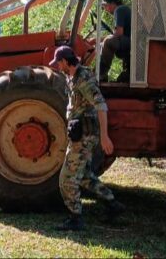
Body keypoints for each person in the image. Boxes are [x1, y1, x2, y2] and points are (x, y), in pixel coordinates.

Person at [48, 45, 126, 231]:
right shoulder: (72, 77)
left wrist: (105, 137)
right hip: (81, 133)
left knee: (66, 179)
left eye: (58, 63)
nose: (57, 66)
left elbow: (101, 105)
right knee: (83, 176)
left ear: (66, 61)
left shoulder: (83, 79)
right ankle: (112, 203)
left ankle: (75, 218)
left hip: (83, 136)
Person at [99, 0, 131, 82]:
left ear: (113, 4)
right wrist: (96, 40)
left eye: (106, 5)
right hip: (129, 41)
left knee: (108, 42)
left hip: (130, 42)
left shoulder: (119, 10)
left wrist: (103, 40)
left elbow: (119, 33)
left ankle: (100, 75)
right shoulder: (123, 9)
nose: (105, 9)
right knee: (106, 40)